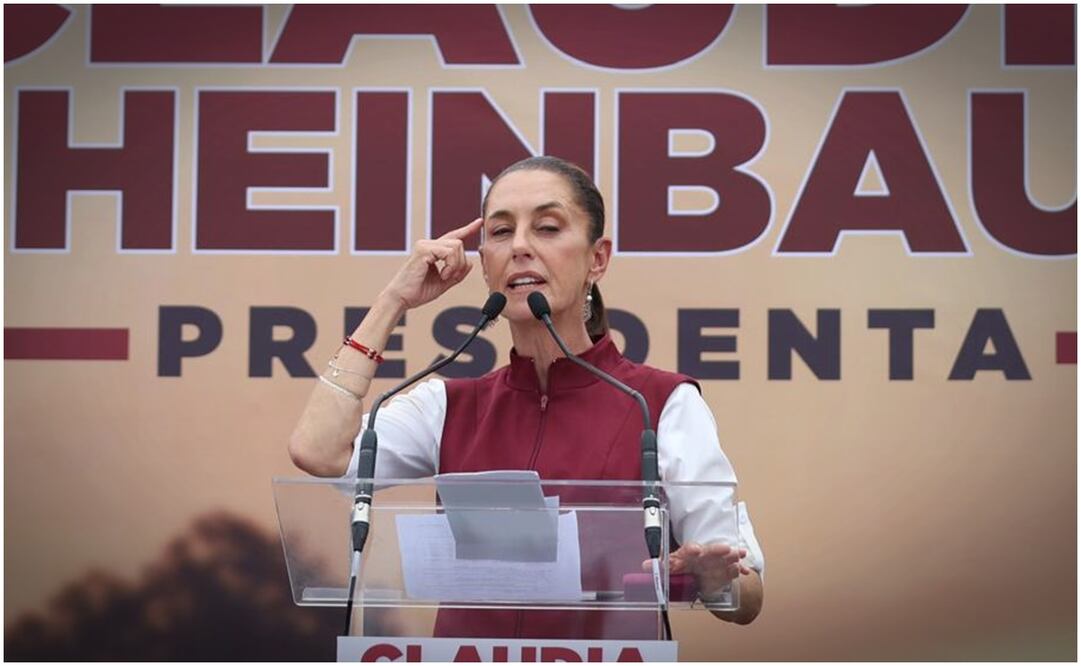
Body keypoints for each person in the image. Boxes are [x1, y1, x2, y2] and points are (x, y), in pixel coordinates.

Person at [289, 156, 765, 636]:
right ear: (485, 263)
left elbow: (746, 597)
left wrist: (713, 578)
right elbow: (318, 451)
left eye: (548, 227)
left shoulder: (659, 404)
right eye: (500, 233)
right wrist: (393, 300)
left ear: (597, 259)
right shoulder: (448, 406)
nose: (519, 247)